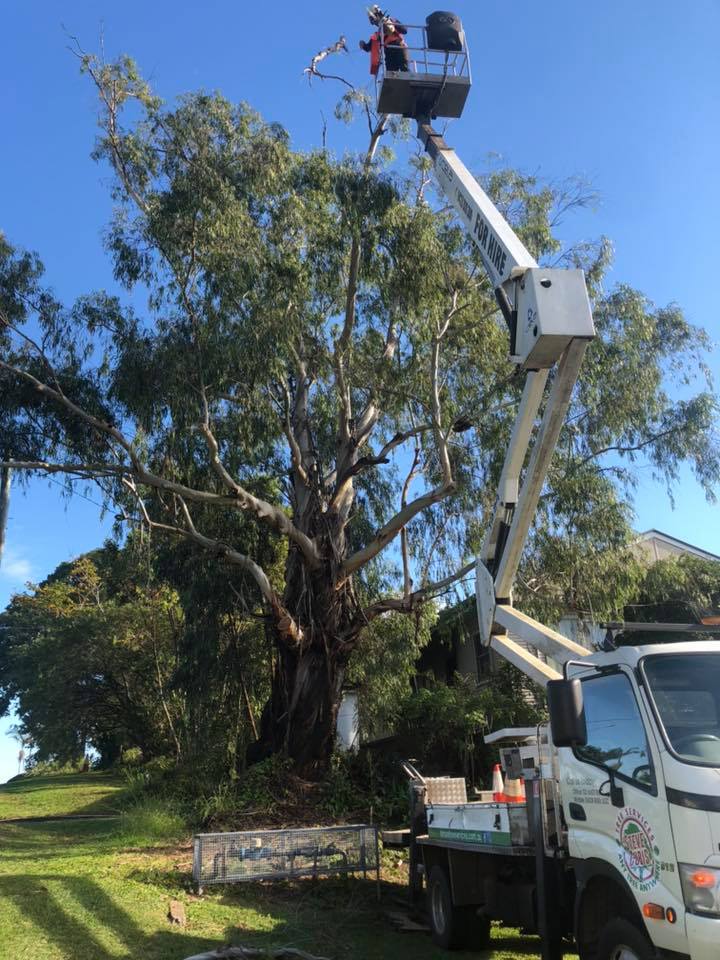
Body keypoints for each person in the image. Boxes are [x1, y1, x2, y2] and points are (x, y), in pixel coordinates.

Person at [359, 6, 409, 75]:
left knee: (404, 69)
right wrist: (363, 45)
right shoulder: (378, 34)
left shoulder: (391, 21)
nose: (374, 22)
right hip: (389, 52)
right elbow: (369, 47)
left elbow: (404, 30)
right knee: (391, 74)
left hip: (399, 47)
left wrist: (391, 23)